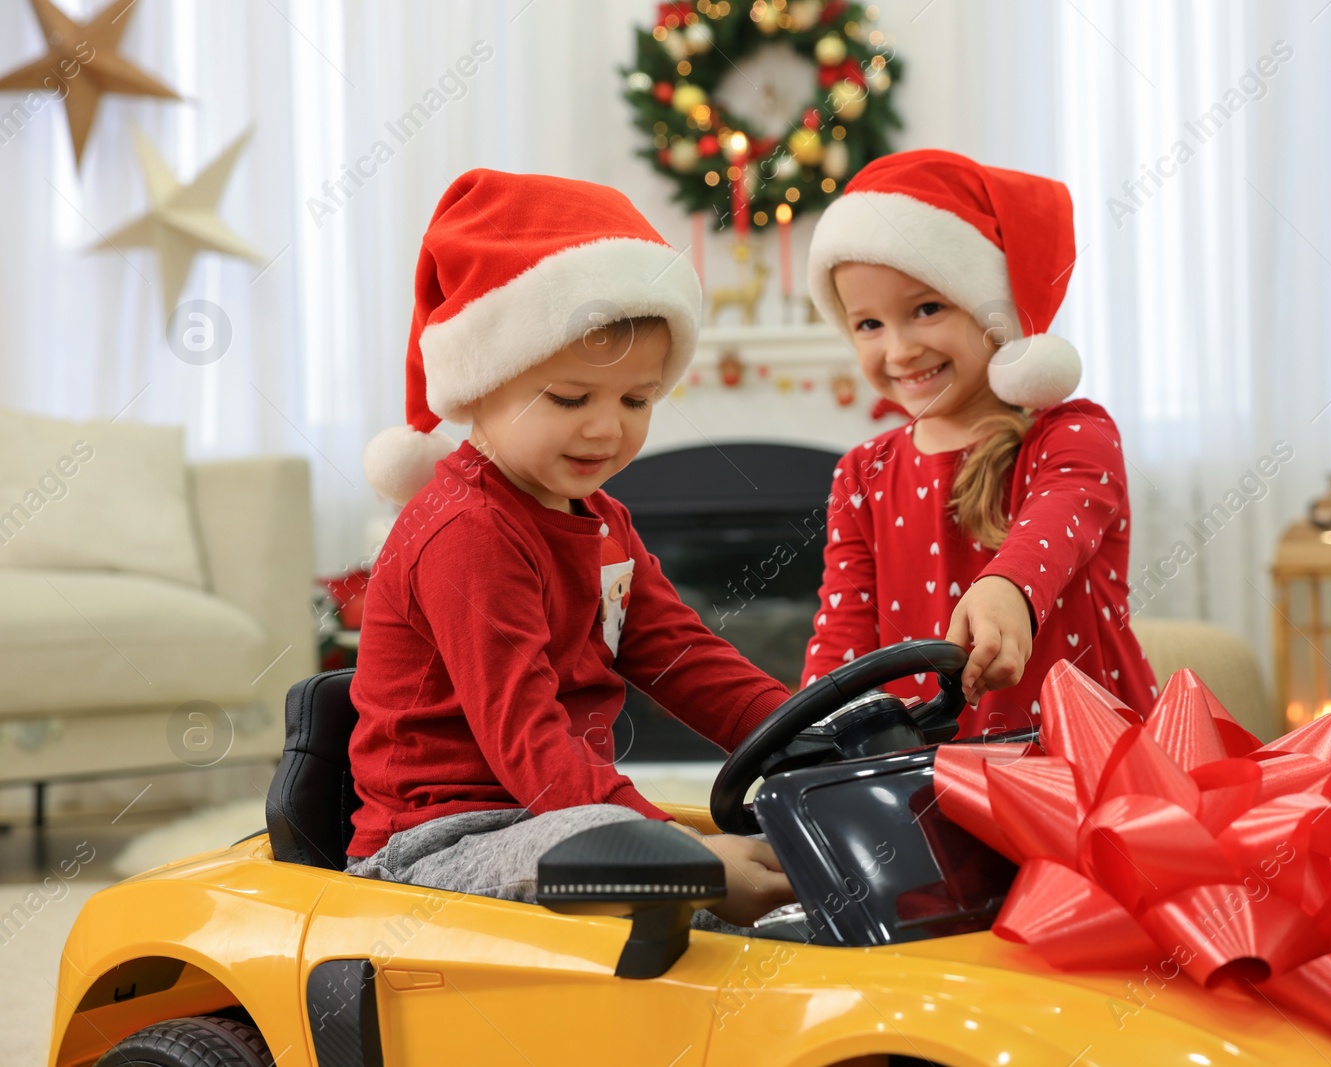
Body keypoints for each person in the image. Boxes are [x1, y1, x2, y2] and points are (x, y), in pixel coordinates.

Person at [347, 169, 793, 928]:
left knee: (771, 850)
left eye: (635, 400)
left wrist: (799, 734)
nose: (606, 428)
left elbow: (684, 654)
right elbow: (526, 736)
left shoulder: (602, 517)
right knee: (669, 869)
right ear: (481, 382)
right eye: (570, 397)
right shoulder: (467, 531)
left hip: (556, 814)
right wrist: (665, 839)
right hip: (441, 843)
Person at [801, 149, 1157, 735]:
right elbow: (844, 631)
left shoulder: (1072, 433)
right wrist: (813, 731)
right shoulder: (862, 472)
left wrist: (1006, 587)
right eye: (869, 324)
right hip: (923, 774)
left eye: (926, 309)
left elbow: (1059, 518)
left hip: (1085, 759)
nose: (899, 349)